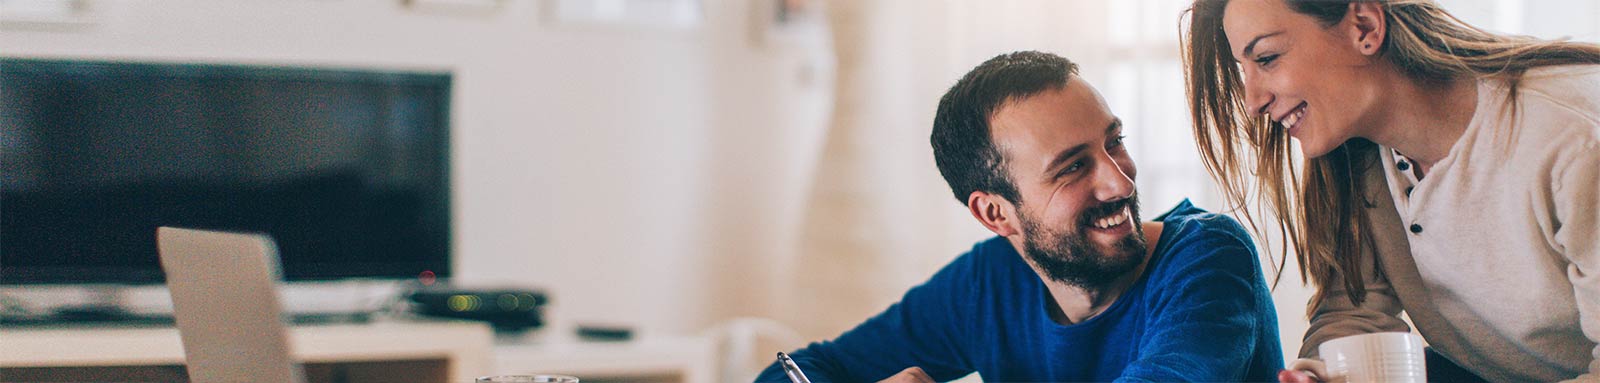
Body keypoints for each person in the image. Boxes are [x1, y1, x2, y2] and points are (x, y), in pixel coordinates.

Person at [754, 51, 1282, 382]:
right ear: (995, 213)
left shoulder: (1208, 258)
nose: (1121, 182)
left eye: (1114, 142)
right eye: (1073, 168)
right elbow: (797, 373)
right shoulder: (988, 283)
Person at [1182, 0, 1600, 381]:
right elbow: (1356, 308)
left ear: (1364, 27)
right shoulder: (1361, 158)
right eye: (1244, 69)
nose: (1253, 100)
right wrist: (1325, 376)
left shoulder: (1575, 142)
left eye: (1267, 58)